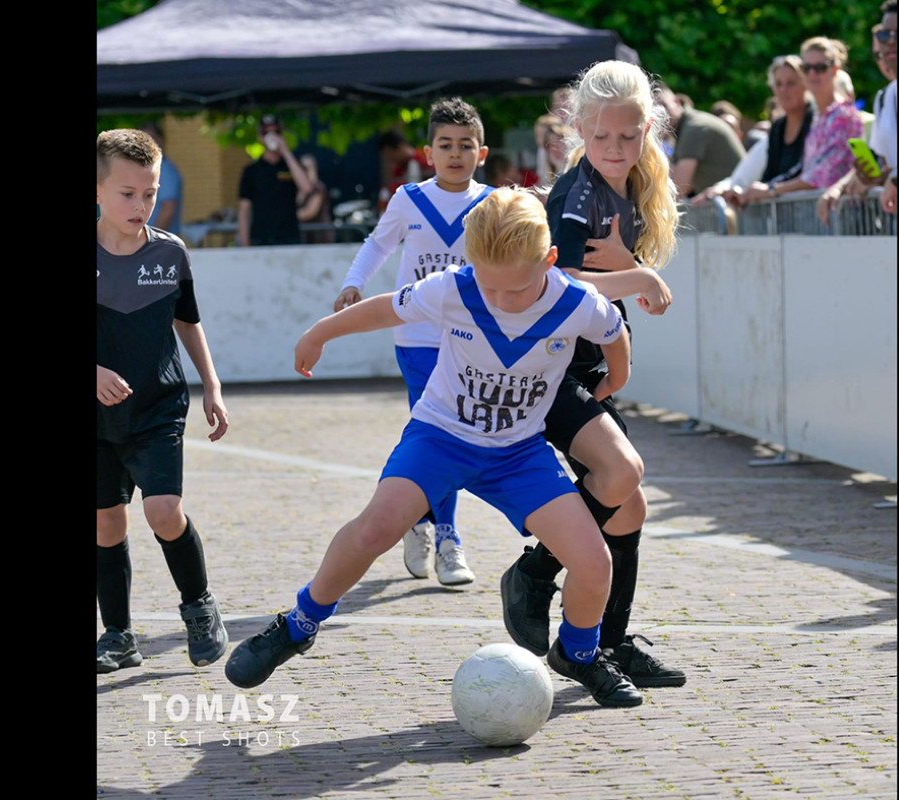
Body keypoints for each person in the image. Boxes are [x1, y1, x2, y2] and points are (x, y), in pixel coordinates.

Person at [225, 187, 645, 708]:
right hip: (441, 437)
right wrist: (321, 332)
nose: (501, 300)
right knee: (376, 526)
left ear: (550, 260)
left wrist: (616, 378)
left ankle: (578, 655)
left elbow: (613, 331)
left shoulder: (577, 301)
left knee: (594, 562)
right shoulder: (455, 287)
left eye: (515, 289)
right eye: (490, 287)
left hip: (518, 453)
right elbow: (385, 310)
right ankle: (298, 623)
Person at [500, 59, 687, 691]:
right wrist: (637, 276)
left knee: (627, 507)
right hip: (547, 367)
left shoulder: (631, 182)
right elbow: (555, 282)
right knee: (621, 475)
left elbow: (604, 281)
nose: (615, 148)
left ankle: (607, 645)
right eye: (602, 137)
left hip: (583, 365)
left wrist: (629, 271)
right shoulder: (574, 196)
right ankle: (535, 573)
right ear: (579, 128)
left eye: (629, 137)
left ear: (648, 131)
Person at [333, 97, 495, 587]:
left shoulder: (493, 204)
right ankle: (447, 536)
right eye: (445, 145)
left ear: (481, 154)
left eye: (466, 145)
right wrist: (354, 281)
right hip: (418, 336)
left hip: (469, 338)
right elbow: (378, 243)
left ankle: (420, 520)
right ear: (428, 152)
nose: (455, 153)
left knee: (455, 431)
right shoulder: (409, 199)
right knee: (439, 431)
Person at [96, 129, 231, 674]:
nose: (141, 204)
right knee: (107, 524)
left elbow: (188, 321)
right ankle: (118, 635)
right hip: (99, 418)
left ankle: (200, 607)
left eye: (149, 192)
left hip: (158, 408)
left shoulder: (170, 252)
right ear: (98, 189)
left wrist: (212, 386)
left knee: (163, 512)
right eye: (128, 193)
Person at [739, 37, 862, 205]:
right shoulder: (820, 117)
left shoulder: (842, 116)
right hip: (819, 216)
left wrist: (771, 190)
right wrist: (765, 188)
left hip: (841, 216)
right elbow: (806, 170)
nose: (812, 74)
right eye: (806, 68)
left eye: (820, 67)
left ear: (835, 70)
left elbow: (821, 176)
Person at [692, 54, 813, 208]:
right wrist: (745, 191)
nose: (784, 90)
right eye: (778, 84)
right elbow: (765, 173)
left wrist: (769, 189)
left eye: (791, 83)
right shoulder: (778, 128)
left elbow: (807, 171)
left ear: (805, 85)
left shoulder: (815, 122)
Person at [817, 2, 898, 223]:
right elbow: (882, 162)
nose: (890, 40)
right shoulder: (885, 98)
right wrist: (840, 187)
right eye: (884, 34)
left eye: (897, 34)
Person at [236, 114, 315, 247]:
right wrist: (245, 245)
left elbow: (307, 188)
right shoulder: (251, 171)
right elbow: (244, 210)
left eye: (276, 132)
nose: (271, 136)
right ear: (260, 137)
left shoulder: (291, 165)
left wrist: (285, 152)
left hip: (289, 238)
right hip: (261, 239)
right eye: (266, 133)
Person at [657, 83, 746, 199]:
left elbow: (677, 189)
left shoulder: (694, 128)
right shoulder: (687, 128)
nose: (659, 116)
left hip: (741, 208)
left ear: (677, 103)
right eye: (653, 111)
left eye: (663, 106)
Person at [138, 121, 183, 236]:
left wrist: (151, 241)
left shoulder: (164, 169)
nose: (144, 144)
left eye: (150, 139)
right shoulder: (145, 169)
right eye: (140, 140)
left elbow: (168, 207)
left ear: (159, 141)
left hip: (158, 247)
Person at [297, 153, 335, 244]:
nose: (303, 172)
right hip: (305, 238)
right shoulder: (298, 190)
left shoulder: (318, 188)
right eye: (301, 168)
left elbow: (309, 212)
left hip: (320, 238)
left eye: (306, 168)